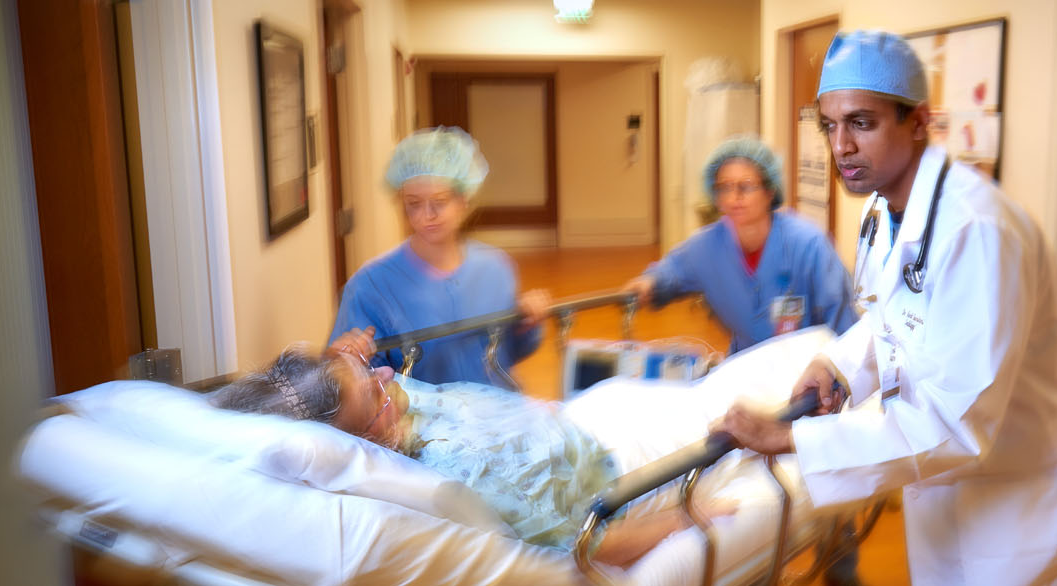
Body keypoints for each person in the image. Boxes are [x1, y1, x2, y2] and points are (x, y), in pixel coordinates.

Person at [710, 30, 1057, 585]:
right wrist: (840, 365)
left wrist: (790, 437)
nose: (840, 147)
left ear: (919, 121)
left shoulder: (976, 231)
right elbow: (893, 315)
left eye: (862, 122)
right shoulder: (885, 211)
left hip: (1022, 497)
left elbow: (957, 427)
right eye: (829, 125)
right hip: (946, 491)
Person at [210, 330, 738, 568]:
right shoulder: (464, 475)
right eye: (374, 386)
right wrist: (687, 516)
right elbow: (592, 542)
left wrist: (345, 367)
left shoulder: (391, 411)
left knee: (722, 388)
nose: (389, 373)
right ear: (367, 438)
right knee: (750, 402)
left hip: (594, 416)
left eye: (368, 369)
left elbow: (354, 398)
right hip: (626, 459)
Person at [329, 127, 550, 389]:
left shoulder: (495, 268)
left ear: (463, 200)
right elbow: (355, 384)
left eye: (439, 202)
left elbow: (507, 353)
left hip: (497, 418)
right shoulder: (371, 285)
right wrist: (346, 361)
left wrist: (527, 322)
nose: (426, 215)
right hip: (423, 425)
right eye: (413, 203)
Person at [623, 137, 857, 353]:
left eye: (745, 187)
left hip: (809, 371)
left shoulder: (808, 244)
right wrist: (649, 284)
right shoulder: (707, 247)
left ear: (770, 191)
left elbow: (844, 322)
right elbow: (671, 272)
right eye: (724, 188)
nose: (734, 197)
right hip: (746, 369)